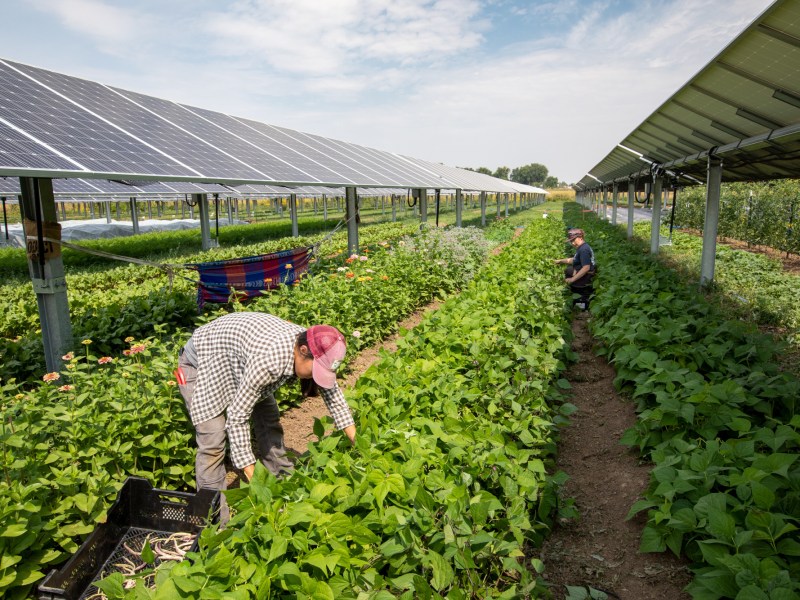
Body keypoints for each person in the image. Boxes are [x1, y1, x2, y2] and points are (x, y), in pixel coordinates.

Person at [175, 312, 356, 511]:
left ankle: (284, 484)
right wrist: (256, 482)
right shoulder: (269, 361)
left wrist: (359, 445)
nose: (317, 377)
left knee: (268, 419)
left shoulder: (310, 344)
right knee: (213, 440)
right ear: (303, 351)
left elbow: (333, 396)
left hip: (241, 361)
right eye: (316, 370)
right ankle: (212, 518)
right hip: (204, 362)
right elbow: (237, 417)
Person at [553, 228, 596, 309]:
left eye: (574, 240)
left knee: (580, 296)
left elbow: (586, 268)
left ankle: (580, 307)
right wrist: (560, 261)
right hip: (583, 274)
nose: (572, 243)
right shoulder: (582, 247)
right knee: (567, 270)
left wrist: (572, 279)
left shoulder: (584, 250)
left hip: (585, 278)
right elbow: (574, 260)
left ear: (581, 238)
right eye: (571, 241)